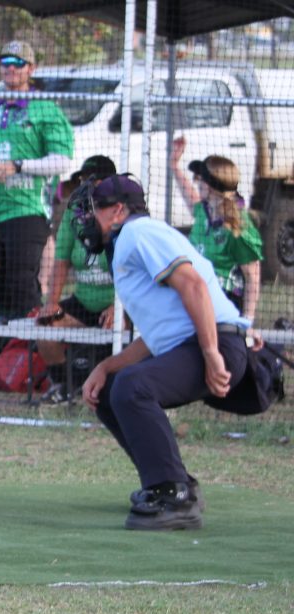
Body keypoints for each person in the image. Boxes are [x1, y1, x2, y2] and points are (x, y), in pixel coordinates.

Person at [72, 174, 260, 531]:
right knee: (113, 387)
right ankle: (171, 482)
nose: (86, 219)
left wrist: (211, 352)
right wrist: (107, 365)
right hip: (203, 343)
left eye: (94, 209)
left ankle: (174, 495)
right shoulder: (131, 239)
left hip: (217, 344)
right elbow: (162, 334)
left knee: (133, 386)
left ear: (118, 211)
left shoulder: (139, 232)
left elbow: (194, 285)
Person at [0, 41, 73, 321]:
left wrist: (18, 166)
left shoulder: (44, 108)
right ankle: (4, 350)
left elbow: (63, 161)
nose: (10, 68)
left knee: (23, 286)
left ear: (31, 69)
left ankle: (30, 353)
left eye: (18, 63)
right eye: (5, 62)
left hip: (26, 211)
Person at [36, 156, 118, 403]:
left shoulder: (122, 214)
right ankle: (66, 384)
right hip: (83, 303)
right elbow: (61, 261)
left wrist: (119, 306)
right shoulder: (75, 212)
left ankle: (116, 387)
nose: (85, 186)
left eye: (91, 181)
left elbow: (133, 270)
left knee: (122, 331)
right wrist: (52, 301)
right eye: (82, 181)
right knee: (46, 325)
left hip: (119, 307)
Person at [170, 137, 263, 323]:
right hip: (196, 296)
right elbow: (191, 197)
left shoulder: (237, 228)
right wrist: (174, 165)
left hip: (222, 304)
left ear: (211, 186)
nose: (197, 183)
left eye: (200, 179)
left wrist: (246, 322)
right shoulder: (205, 211)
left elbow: (252, 276)